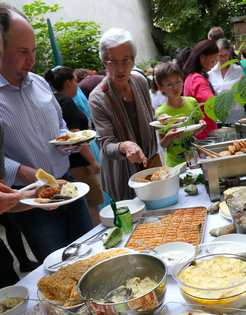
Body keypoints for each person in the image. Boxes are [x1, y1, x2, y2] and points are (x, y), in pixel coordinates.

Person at [0, 3, 93, 263]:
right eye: (22, 51)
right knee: (58, 266)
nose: (31, 59)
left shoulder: (40, 83)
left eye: (33, 51)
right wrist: (22, 171)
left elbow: (60, 125)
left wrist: (68, 142)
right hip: (29, 199)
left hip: (67, 183)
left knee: (89, 254)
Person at [89, 28, 158, 201]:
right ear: (104, 63)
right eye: (113, 61)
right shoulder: (98, 98)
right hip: (122, 174)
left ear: (133, 61)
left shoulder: (141, 82)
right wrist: (125, 146)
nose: (120, 68)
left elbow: (149, 121)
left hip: (151, 165)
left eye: (126, 60)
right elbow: (106, 145)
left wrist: (164, 124)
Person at [43, 66, 104, 226]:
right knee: (91, 206)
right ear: (69, 82)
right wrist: (93, 161)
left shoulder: (52, 100)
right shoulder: (67, 102)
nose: (78, 85)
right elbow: (75, 137)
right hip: (80, 164)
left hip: (66, 164)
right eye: (76, 81)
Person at [155, 62, 206, 167]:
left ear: (183, 81)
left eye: (178, 82)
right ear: (160, 88)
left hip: (194, 159)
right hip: (174, 164)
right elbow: (162, 143)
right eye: (169, 84)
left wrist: (201, 124)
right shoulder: (161, 113)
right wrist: (168, 137)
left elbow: (198, 127)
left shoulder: (192, 102)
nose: (175, 87)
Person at [183, 39, 219, 140]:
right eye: (212, 61)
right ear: (202, 57)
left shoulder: (190, 77)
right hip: (205, 135)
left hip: (198, 134)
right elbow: (212, 102)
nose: (213, 66)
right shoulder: (197, 79)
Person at [208, 38, 246, 124]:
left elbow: (244, 91)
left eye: (225, 55)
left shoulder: (238, 71)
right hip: (219, 118)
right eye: (220, 56)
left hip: (237, 115)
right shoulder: (211, 74)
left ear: (229, 53)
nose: (223, 59)